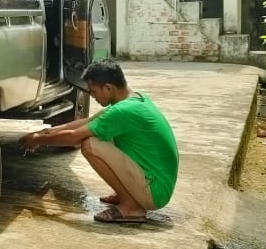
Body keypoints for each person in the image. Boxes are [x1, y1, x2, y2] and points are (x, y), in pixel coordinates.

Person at [20, 59, 179, 224]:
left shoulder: (122, 111)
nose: (92, 97)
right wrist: (47, 132)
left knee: (90, 145)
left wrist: (39, 140)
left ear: (108, 88)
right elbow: (87, 121)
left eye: (93, 92)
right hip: (157, 183)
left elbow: (74, 136)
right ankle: (128, 193)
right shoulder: (133, 99)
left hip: (155, 191)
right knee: (102, 133)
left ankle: (131, 207)